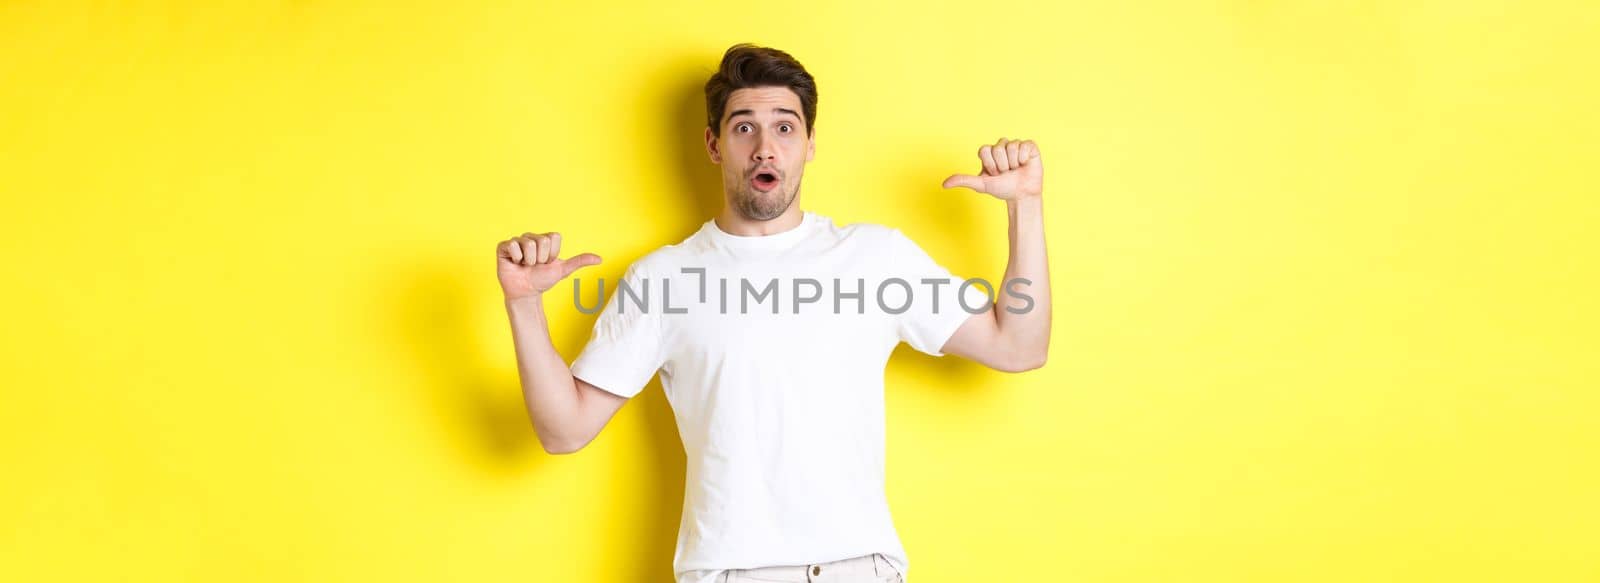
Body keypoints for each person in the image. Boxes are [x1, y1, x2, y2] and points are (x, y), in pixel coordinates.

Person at [494, 43, 1051, 583]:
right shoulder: (662, 279)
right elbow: (563, 430)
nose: (765, 147)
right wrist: (523, 303)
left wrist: (1025, 205)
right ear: (714, 145)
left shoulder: (876, 258)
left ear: (809, 143)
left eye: (785, 127)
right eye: (744, 127)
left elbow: (1018, 346)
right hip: (730, 573)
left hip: (858, 568)